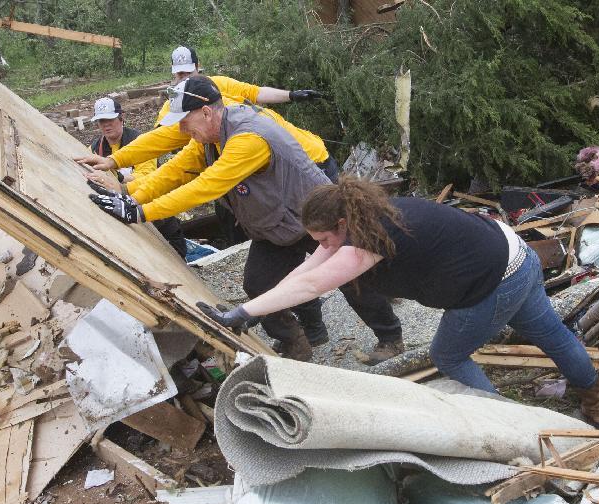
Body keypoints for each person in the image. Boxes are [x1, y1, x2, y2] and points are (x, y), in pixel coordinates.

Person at [196, 177, 599, 428]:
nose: (319, 246)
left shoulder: (372, 240)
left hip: (494, 279)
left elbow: (314, 285)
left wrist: (247, 311)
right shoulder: (363, 220)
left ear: (341, 225)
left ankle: (511, 425)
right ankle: (597, 407)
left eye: (324, 238)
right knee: (551, 333)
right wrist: (249, 308)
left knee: (448, 356)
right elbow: (307, 271)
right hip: (516, 257)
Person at [86, 76, 402, 362]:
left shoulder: (249, 137)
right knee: (258, 283)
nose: (181, 131)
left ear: (207, 113)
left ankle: (390, 338)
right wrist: (130, 197)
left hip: (315, 215)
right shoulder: (207, 140)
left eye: (185, 122)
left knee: (349, 278)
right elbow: (174, 173)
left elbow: (205, 187)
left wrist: (140, 214)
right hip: (275, 225)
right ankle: (296, 342)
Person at [77, 45, 339, 247]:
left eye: (186, 73)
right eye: (177, 74)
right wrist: (124, 181)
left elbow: (256, 92)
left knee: (324, 244)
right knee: (274, 247)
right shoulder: (191, 117)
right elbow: (171, 157)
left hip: (309, 164)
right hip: (258, 174)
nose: (181, 79)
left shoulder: (225, 102)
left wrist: (290, 95)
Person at [89, 96, 187, 258]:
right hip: (124, 220)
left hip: (158, 217)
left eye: (110, 120)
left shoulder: (140, 143)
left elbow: (147, 177)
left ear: (121, 118)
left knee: (177, 255)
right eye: (101, 121)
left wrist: (117, 177)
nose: (106, 125)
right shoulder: (95, 148)